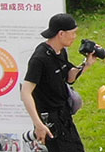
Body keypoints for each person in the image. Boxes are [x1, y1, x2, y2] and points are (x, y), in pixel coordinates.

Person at [20, 13, 98, 152]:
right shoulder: (39, 59)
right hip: (49, 120)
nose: (75, 37)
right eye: (73, 33)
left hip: (64, 115)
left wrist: (86, 64)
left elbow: (69, 77)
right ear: (61, 34)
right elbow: (25, 92)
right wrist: (38, 124)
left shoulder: (60, 52)